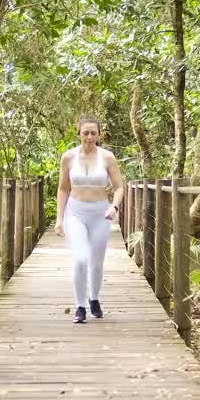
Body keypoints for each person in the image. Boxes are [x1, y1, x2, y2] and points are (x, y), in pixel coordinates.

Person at [55, 115, 125, 324]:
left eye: (93, 132)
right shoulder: (68, 157)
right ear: (79, 134)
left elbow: (119, 186)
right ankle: (80, 306)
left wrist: (114, 206)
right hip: (75, 213)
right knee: (81, 258)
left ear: (98, 134)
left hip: (100, 214)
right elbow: (63, 188)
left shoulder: (107, 157)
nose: (89, 137)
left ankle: (94, 298)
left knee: (96, 261)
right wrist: (59, 219)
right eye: (85, 132)